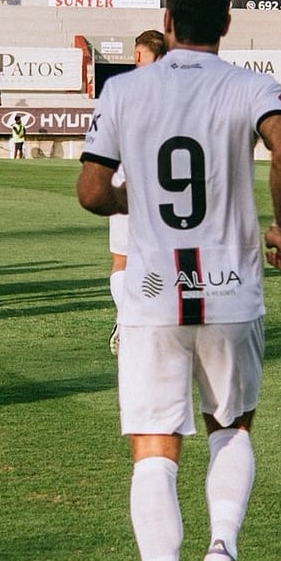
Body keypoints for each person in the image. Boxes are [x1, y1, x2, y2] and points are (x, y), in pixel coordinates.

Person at [76, 0, 281, 561]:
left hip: (151, 292)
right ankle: (221, 550)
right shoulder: (251, 85)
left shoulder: (124, 90)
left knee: (154, 450)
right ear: (227, 23)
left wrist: (138, 200)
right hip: (231, 287)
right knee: (229, 428)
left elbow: (92, 191)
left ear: (169, 21)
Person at [108, 29, 168, 355]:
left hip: (126, 181)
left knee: (122, 259)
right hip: (166, 187)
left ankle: (127, 317)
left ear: (137, 55)